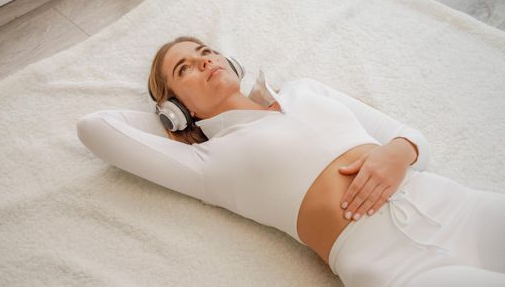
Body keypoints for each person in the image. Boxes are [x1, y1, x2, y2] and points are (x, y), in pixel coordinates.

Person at [76, 36, 505, 286]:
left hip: (459, 207)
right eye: (184, 69)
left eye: (205, 50)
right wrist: (170, 120)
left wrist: (400, 150)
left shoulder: (305, 90)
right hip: (399, 267)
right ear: (176, 106)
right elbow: (95, 128)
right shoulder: (206, 162)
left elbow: (418, 146)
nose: (204, 60)